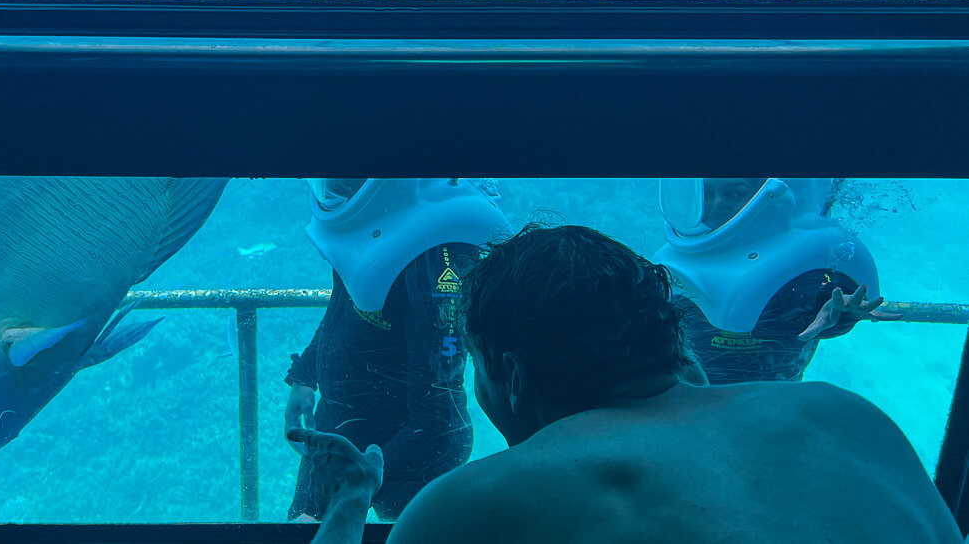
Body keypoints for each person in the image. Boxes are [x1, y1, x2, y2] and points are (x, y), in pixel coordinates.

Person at [289, 223, 961, 544]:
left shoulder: (467, 509)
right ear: (668, 340)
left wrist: (349, 505)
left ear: (511, 375)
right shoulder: (850, 421)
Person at [283, 178, 510, 521]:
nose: (337, 186)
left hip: (402, 444)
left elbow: (439, 418)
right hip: (347, 428)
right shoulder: (379, 225)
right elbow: (344, 307)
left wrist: (360, 479)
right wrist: (305, 377)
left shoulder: (434, 251)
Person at [653, 178, 901, 384]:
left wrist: (841, 313)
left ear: (766, 196)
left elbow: (821, 298)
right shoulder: (680, 255)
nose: (717, 204)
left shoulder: (799, 258)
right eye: (707, 194)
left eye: (735, 193)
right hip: (689, 392)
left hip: (771, 396)